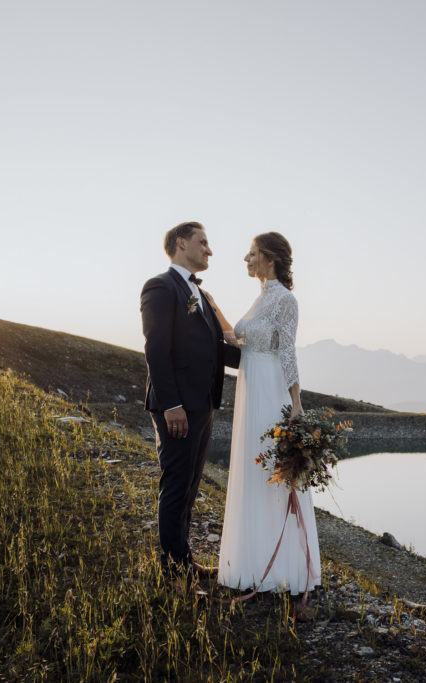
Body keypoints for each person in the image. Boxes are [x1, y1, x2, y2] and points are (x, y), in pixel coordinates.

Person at [207, 232, 321, 597]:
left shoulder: (285, 300)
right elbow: (238, 339)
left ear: (270, 259)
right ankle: (250, 561)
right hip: (250, 385)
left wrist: (296, 403)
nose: (246, 258)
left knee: (270, 470)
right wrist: (213, 307)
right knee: (251, 470)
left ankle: (283, 567)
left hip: (270, 390)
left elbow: (287, 351)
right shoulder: (260, 298)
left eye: (252, 253)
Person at [140, 221, 239, 593]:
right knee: (175, 486)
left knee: (190, 486)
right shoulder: (160, 287)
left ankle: (183, 559)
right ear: (181, 243)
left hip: (202, 405)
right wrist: (172, 405)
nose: (209, 250)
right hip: (178, 407)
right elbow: (156, 348)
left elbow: (217, 350)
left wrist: (264, 360)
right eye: (203, 242)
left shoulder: (201, 295)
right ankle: (172, 575)